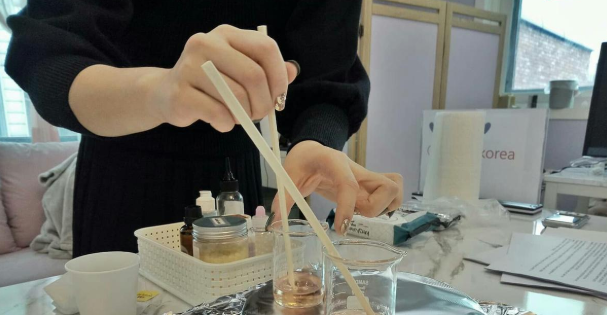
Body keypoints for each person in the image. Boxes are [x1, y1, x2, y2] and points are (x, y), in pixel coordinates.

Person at [6, 0, 403, 257]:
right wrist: (160, 92)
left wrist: (316, 141)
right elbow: (51, 55)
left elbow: (327, 73)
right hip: (121, 181)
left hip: (235, 180)